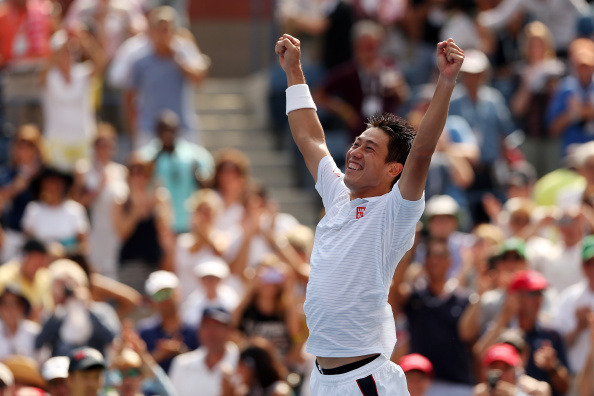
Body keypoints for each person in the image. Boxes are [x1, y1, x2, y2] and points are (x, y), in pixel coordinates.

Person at [274, 32, 464, 394]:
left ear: (395, 169)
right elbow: (310, 138)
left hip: (364, 380)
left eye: (371, 148)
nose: (356, 151)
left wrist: (446, 81)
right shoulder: (338, 196)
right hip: (321, 380)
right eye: (357, 142)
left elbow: (421, 152)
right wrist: (294, 71)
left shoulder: (395, 211)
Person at [126, 6, 209, 148]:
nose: (164, 35)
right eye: (160, 30)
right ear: (152, 32)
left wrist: (177, 60)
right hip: (149, 130)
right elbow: (129, 96)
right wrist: (133, 128)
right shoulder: (141, 62)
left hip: (182, 129)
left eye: (168, 30)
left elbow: (199, 80)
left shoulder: (183, 55)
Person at [139, 110, 214, 234]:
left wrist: (197, 176)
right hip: (158, 226)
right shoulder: (147, 156)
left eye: (170, 129)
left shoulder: (194, 155)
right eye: (162, 130)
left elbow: (208, 182)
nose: (167, 134)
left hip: (188, 222)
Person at [137, 270, 198, 373]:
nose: (165, 299)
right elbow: (138, 371)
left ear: (179, 293)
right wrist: (160, 354)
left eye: (168, 293)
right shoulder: (145, 332)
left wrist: (181, 352)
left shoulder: (196, 330)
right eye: (159, 295)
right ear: (152, 301)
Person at [169, 307, 239, 396]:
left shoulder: (242, 364)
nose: (211, 332)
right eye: (206, 326)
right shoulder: (181, 363)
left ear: (230, 330)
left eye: (217, 326)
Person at [553, 235, 594, 374]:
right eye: (590, 263)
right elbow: (558, 346)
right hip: (577, 375)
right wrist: (579, 327)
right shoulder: (569, 298)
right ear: (583, 266)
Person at [472, 343, 550, 396]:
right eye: (494, 367)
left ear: (515, 370)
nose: (500, 373)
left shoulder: (536, 389)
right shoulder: (481, 392)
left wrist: (515, 394)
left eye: (505, 368)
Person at [0, 238, 51, 317]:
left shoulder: (45, 277)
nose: (38, 266)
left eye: (41, 262)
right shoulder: (3, 276)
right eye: (36, 262)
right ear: (25, 257)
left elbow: (49, 308)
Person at [0, 285, 39, 359]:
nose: (9, 309)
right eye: (5, 304)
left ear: (22, 308)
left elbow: (42, 361)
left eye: (14, 304)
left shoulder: (34, 332)